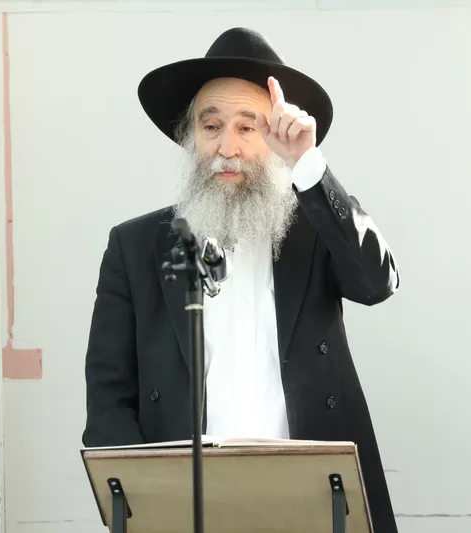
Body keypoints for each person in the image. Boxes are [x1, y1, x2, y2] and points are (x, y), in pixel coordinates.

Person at [82, 27, 400, 532]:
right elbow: (109, 398)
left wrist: (307, 163)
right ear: (190, 136)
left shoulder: (316, 230)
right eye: (211, 126)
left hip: (313, 502)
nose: (226, 147)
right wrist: (149, 501)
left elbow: (376, 282)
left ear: (273, 137)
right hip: (185, 508)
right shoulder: (136, 246)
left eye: (247, 128)